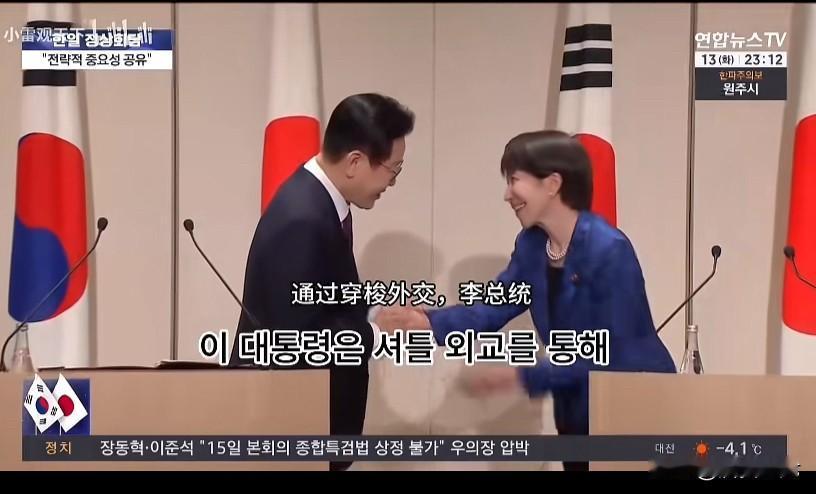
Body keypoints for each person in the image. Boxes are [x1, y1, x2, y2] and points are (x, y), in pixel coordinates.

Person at [378, 130, 676, 472]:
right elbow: (492, 307)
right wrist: (428, 322)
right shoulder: (531, 245)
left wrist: (523, 377)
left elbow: (609, 350)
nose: (507, 195)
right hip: (576, 410)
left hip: (634, 404)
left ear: (552, 184)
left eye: (515, 181)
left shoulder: (609, 249)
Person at [230, 93, 415, 471]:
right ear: (355, 162)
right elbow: (298, 338)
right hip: (288, 427)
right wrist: (377, 334)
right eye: (392, 170)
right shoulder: (302, 217)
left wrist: (376, 313)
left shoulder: (317, 200)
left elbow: (321, 298)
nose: (393, 183)